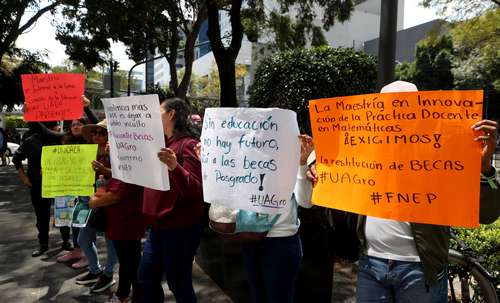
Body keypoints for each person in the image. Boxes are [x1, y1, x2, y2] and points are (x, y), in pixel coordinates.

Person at [309, 81, 500, 303]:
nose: (396, 115)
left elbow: (486, 214)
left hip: (420, 270)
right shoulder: (363, 151)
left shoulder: (441, 154)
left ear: (419, 112)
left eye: (405, 108)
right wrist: (316, 166)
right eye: (388, 107)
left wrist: (485, 168)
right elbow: (330, 164)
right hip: (371, 266)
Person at [137, 97, 204, 303]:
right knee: (145, 279)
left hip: (179, 228)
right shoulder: (159, 144)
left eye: (158, 111)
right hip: (157, 227)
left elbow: (197, 190)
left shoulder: (188, 145)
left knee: (178, 281)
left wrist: (175, 167)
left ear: (171, 114)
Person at [238, 135, 314, 303]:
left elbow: (305, 202)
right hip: (250, 237)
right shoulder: (245, 155)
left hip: (281, 241)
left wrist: (302, 163)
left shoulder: (293, 155)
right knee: (258, 296)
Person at [12, 122, 72, 257]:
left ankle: (66, 240)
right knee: (41, 216)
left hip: (61, 184)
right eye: (55, 126)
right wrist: (23, 178)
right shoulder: (30, 141)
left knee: (63, 212)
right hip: (39, 186)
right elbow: (16, 158)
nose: (58, 129)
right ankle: (43, 244)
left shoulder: (61, 139)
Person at [74, 119, 117, 293]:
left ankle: (108, 274)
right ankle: (95, 270)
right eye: (95, 132)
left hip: (111, 201)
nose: (97, 136)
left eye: (102, 133)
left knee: (110, 240)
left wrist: (105, 170)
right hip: (90, 201)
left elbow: (127, 175)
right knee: (82, 239)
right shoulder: (87, 153)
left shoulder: (117, 152)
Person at [89, 178, 145, 303]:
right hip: (123, 223)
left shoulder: (127, 167)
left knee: (130, 262)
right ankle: (125, 294)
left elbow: (116, 195)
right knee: (129, 262)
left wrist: (95, 201)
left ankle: (130, 296)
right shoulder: (124, 167)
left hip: (125, 223)